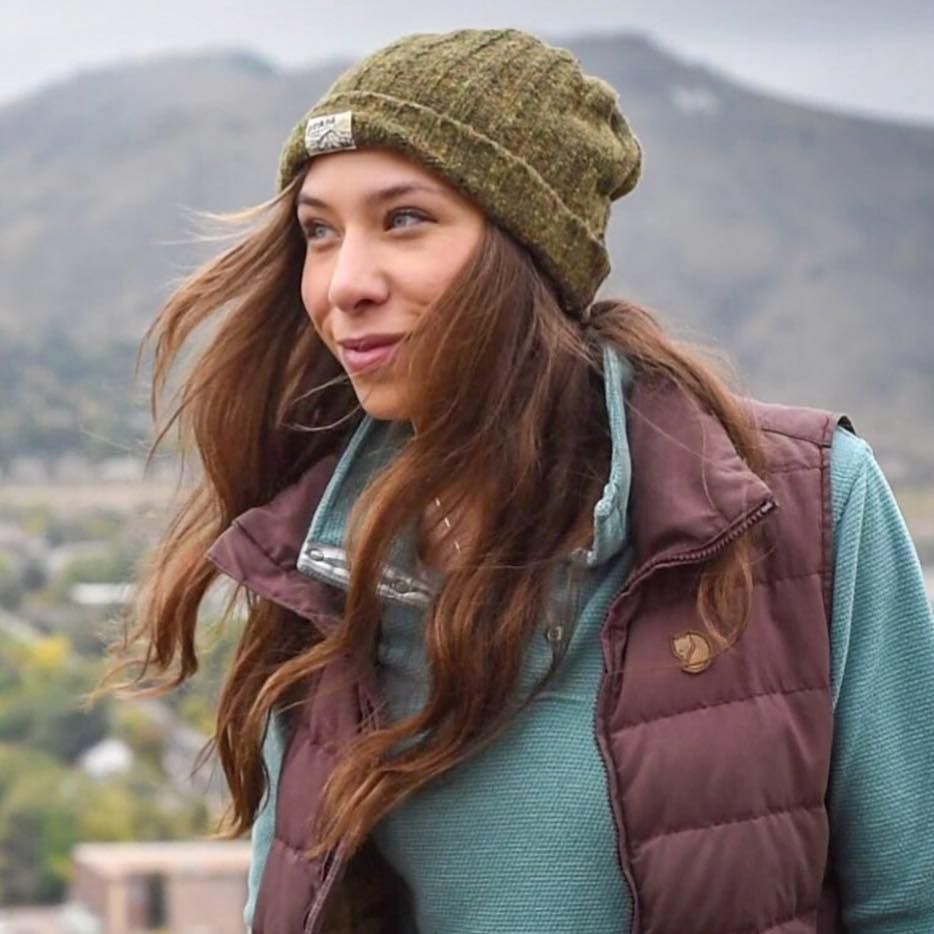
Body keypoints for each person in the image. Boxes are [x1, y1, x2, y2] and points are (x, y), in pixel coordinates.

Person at [118, 27, 934, 934]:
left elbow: (913, 898)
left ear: (529, 250)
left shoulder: (804, 505)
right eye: (318, 232)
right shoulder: (315, 556)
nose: (343, 282)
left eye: (405, 219)